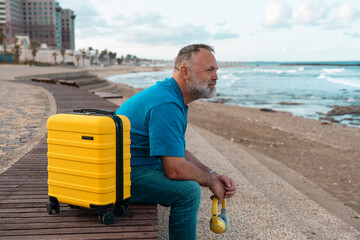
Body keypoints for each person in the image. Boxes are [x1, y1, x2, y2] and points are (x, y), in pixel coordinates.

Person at [116, 44, 236, 239]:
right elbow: (175, 168)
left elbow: (178, 152)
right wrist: (211, 182)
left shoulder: (169, 96)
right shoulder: (167, 104)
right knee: (187, 192)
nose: (216, 76)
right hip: (119, 176)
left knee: (190, 178)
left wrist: (212, 174)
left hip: (130, 167)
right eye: (209, 70)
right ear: (185, 71)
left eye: (216, 70)